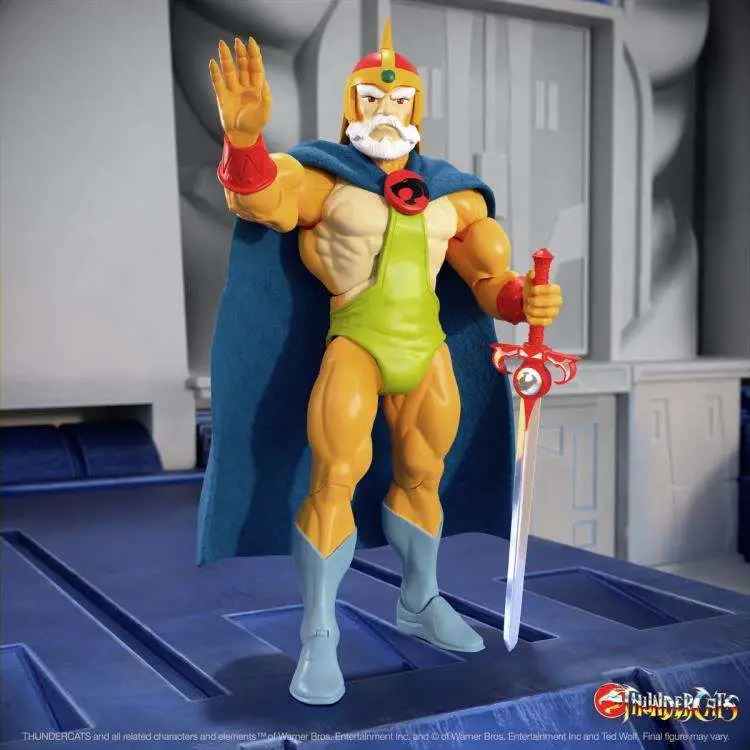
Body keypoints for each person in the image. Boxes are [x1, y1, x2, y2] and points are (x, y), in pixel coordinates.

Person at [197, 19, 563, 705]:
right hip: (357, 343)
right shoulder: (322, 179)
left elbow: (489, 283)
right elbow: (261, 200)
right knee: (333, 477)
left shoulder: (453, 196)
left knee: (425, 475)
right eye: (370, 97)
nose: (385, 111)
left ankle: (419, 600)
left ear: (418, 109)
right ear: (350, 104)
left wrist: (526, 300)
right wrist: (244, 140)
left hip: (426, 350)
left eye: (398, 100)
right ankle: (319, 631)